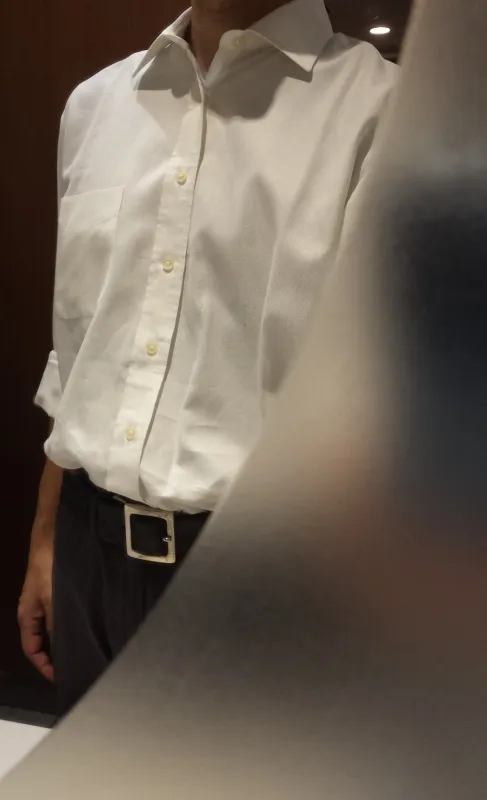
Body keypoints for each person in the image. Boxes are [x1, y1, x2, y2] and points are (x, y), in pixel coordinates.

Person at [18, 0, 397, 714]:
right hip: (86, 558)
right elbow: (78, 354)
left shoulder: (386, 113)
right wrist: (47, 538)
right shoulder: (97, 104)